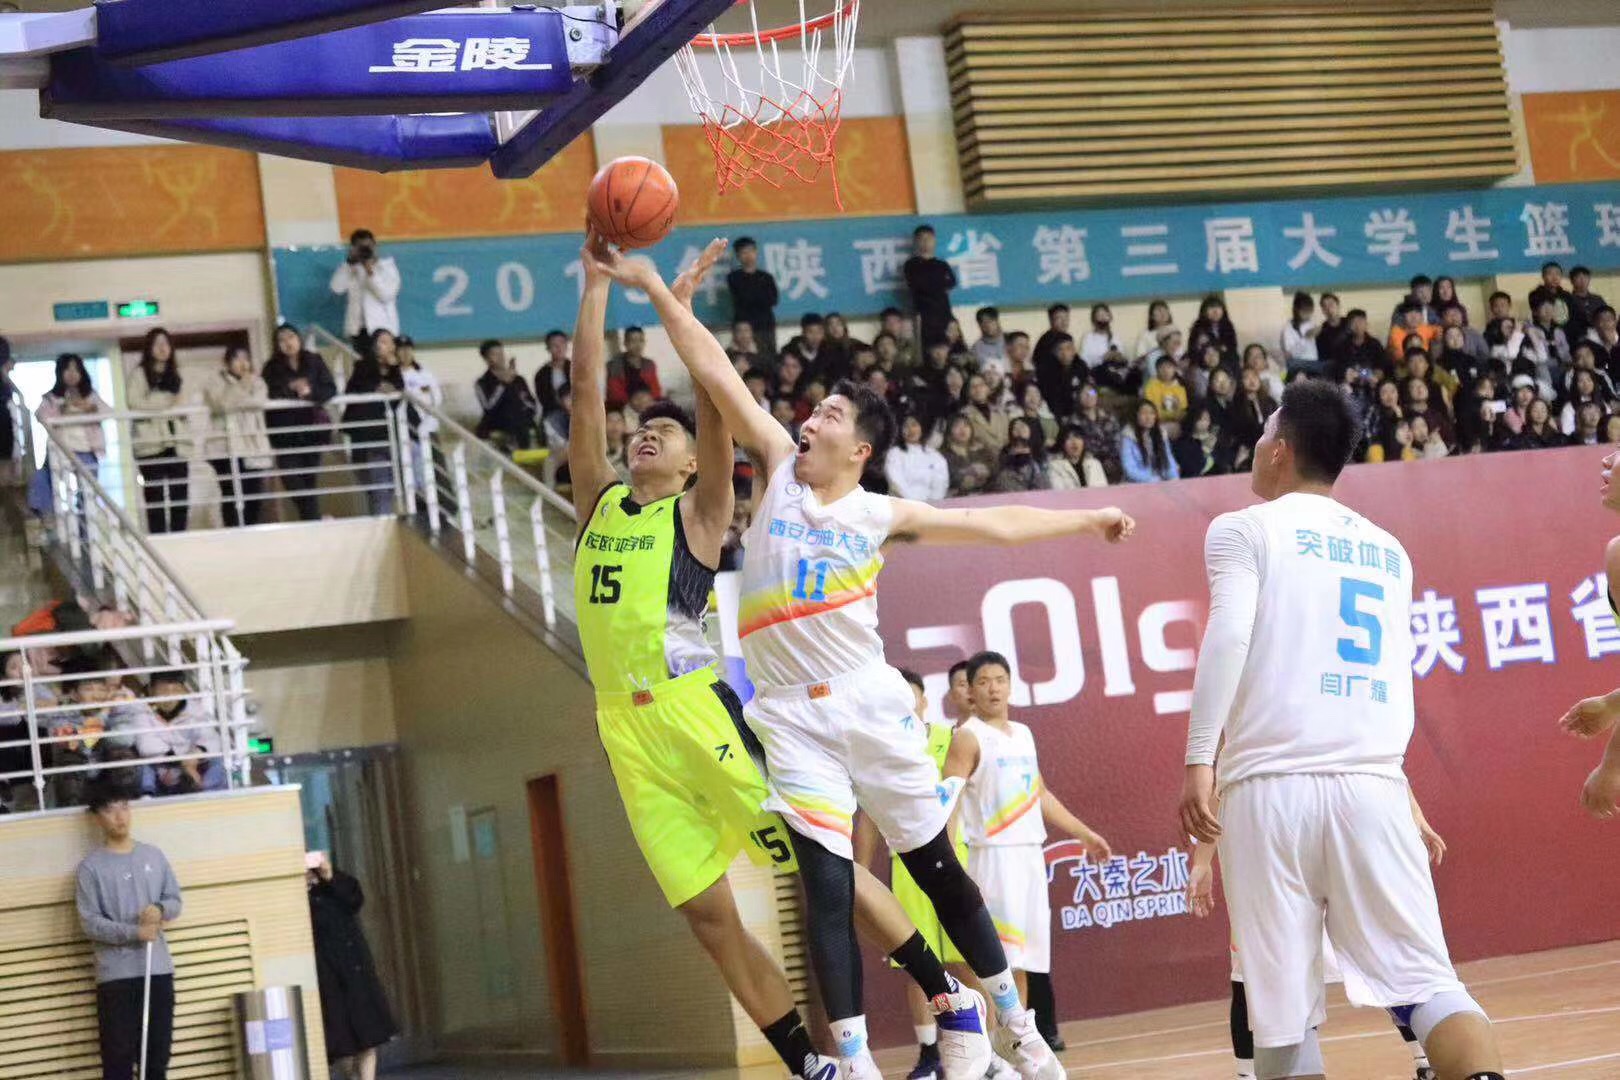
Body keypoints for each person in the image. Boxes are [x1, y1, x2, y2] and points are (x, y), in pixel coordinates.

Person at [588, 238, 1137, 1080]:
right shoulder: (777, 465)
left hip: (865, 702)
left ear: (860, 452)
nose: (810, 423)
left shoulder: (880, 514)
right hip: (787, 714)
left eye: (830, 419)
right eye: (812, 414)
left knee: (936, 869)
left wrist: (1086, 518)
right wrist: (662, 293)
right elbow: (713, 369)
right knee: (825, 886)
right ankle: (849, 1060)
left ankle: (1015, 1024)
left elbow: (995, 524)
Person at [1179, 379, 1505, 1080]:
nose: (1256, 445)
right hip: (1373, 788)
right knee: (1431, 986)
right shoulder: (1390, 550)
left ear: (1280, 451)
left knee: (1283, 1016)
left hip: (1270, 792)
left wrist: (1199, 758)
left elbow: (1228, 636)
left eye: (1263, 433)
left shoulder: (1242, 529)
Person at [1188, 781, 1449, 1080]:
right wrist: (1202, 860)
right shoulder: (1246, 766)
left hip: (1334, 847)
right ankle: (1248, 1075)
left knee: (1385, 962)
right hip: (1275, 856)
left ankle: (1425, 1061)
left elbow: (1385, 766)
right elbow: (1220, 786)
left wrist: (1414, 815)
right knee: (1254, 977)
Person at [944, 651, 1110, 1007]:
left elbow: (1040, 794)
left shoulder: (1023, 734)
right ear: (971, 690)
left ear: (1010, 686)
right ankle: (992, 1039)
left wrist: (1084, 834)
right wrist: (950, 860)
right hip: (993, 858)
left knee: (1024, 961)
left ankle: (1019, 1038)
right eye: (983, 682)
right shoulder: (968, 737)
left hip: (1030, 856)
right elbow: (949, 801)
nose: (993, 689)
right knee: (996, 962)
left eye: (1000, 680)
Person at [853, 669, 973, 1080]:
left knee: (969, 959)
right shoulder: (878, 751)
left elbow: (960, 798)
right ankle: (929, 1053)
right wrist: (860, 873)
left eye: (912, 695)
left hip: (956, 859)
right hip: (906, 865)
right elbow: (869, 818)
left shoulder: (951, 739)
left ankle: (989, 1051)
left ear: (923, 701)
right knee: (920, 963)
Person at [77, 787, 183, 1080]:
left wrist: (160, 909)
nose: (119, 816)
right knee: (118, 1063)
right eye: (110, 810)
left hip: (157, 971)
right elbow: (90, 923)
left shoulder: (153, 855)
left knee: (156, 1060)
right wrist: (135, 932)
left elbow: (175, 900)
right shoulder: (90, 868)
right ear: (97, 818)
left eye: (124, 807)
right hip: (116, 978)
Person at [308, 854, 398, 1080]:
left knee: (368, 1034)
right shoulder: (299, 896)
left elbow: (354, 899)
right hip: (327, 973)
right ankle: (350, 1076)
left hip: (354, 968)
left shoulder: (332, 882)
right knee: (342, 1042)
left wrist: (329, 874)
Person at [262, 324, 337, 521]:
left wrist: (309, 392)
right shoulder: (271, 368)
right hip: (285, 434)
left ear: (299, 338)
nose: (288, 343)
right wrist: (291, 387)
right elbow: (269, 394)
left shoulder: (314, 360)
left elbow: (330, 389)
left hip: (311, 430)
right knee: (292, 481)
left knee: (309, 482)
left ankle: (312, 522)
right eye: (282, 339)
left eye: (291, 337)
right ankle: (315, 519)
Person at [29, 353, 109, 518]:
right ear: (60, 372)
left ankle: (84, 526)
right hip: (60, 450)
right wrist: (62, 408)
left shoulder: (90, 396)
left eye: (76, 369)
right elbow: (40, 416)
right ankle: (46, 514)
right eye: (67, 369)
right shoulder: (52, 398)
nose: (72, 374)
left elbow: (108, 411)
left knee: (87, 493)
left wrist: (90, 408)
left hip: (87, 450)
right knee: (42, 477)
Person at [202, 345, 273, 528]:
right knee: (231, 495)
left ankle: (250, 531)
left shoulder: (257, 381)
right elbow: (221, 404)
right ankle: (232, 532)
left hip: (251, 445)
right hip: (222, 448)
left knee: (254, 494)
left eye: (246, 358)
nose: (243, 363)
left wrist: (237, 397)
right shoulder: (214, 381)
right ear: (227, 362)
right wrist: (242, 386)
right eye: (237, 358)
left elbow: (259, 401)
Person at [127, 328, 189, 534]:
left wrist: (159, 402)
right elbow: (135, 403)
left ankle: (180, 538)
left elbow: (184, 403)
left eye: (166, 343)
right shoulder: (139, 374)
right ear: (149, 348)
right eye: (157, 344)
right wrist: (166, 401)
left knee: (180, 497)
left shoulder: (177, 374)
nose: (162, 348)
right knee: (155, 499)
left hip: (177, 442)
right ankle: (159, 540)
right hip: (150, 445)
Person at [344, 329, 404, 516]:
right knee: (378, 488)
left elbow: (398, 394)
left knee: (387, 487)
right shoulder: (363, 367)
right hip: (367, 436)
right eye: (383, 342)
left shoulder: (396, 370)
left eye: (391, 342)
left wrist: (394, 370)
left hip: (388, 435)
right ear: (374, 346)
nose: (388, 346)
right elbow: (355, 392)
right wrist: (377, 388)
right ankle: (382, 523)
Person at [329, 228, 400, 353]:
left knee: (383, 362)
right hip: (358, 329)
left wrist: (370, 272)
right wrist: (349, 263)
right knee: (362, 363)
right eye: (360, 247)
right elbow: (336, 288)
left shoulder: (387, 267)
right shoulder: (350, 268)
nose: (365, 251)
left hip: (383, 328)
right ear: (353, 248)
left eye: (368, 246)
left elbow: (386, 295)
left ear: (375, 246)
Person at [473, 339, 539, 451]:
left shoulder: (518, 379)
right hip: (497, 421)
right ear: (486, 359)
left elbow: (531, 403)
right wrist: (503, 384)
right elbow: (488, 407)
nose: (501, 358)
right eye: (495, 354)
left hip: (521, 420)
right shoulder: (482, 383)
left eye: (501, 353)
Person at [904, 225, 957, 346]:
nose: (925, 242)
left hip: (945, 315)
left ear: (934, 241)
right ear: (916, 242)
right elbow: (917, 285)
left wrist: (931, 284)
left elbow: (952, 283)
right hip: (923, 317)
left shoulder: (942, 264)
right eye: (921, 239)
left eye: (929, 238)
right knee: (927, 350)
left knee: (949, 348)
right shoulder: (911, 265)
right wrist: (938, 285)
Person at [728, 237, 780, 355]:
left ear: (756, 253)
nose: (749, 255)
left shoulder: (766, 277)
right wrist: (760, 298)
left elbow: (773, 300)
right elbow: (743, 299)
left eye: (751, 251)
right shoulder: (734, 277)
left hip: (766, 326)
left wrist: (754, 297)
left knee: (769, 357)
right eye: (744, 252)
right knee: (744, 358)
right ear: (738, 256)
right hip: (744, 327)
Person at [886, 414, 949, 501]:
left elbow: (941, 483)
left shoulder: (934, 455)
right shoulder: (894, 453)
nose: (911, 430)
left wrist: (933, 501)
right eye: (906, 426)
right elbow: (896, 483)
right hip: (903, 503)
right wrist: (916, 503)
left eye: (914, 425)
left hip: (932, 504)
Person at [605, 326, 664, 409]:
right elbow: (615, 394)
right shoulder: (614, 365)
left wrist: (647, 401)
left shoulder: (649, 364)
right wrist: (636, 403)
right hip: (622, 406)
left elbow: (656, 391)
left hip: (647, 403)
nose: (637, 345)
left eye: (641, 340)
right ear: (625, 343)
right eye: (633, 341)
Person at [1120, 400, 1178, 483]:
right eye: (1144, 413)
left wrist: (1174, 478)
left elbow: (1169, 460)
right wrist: (1153, 480)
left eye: (1152, 413)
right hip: (1136, 483)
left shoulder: (1160, 433)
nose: (1148, 417)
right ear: (1136, 415)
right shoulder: (1128, 435)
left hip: (1161, 481)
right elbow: (1129, 468)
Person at [991, 416, 1049, 493]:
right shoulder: (1006, 451)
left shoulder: (1038, 451)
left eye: (1022, 427)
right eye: (1015, 428)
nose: (1018, 430)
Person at [943, 413, 996, 497]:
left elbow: (995, 467)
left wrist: (986, 471)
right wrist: (965, 474)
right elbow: (947, 477)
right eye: (957, 426)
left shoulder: (982, 449)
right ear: (949, 431)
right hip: (957, 496)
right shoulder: (944, 454)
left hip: (985, 493)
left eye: (966, 425)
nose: (962, 429)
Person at [1189, 295, 1239, 368]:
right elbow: (1193, 351)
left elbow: (1232, 348)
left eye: (1218, 307)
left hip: (1227, 365)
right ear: (1204, 311)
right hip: (1204, 367)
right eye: (1211, 307)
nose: (1215, 311)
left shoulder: (1228, 326)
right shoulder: (1198, 328)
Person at [1279, 292, 1320, 378]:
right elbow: (1290, 354)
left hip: (1314, 364)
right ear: (1296, 310)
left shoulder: (1312, 324)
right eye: (1305, 310)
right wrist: (1306, 338)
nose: (1308, 314)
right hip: (1298, 365)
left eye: (1310, 310)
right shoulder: (1288, 329)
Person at [534, 330, 572, 418]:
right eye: (554, 345)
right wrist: (562, 403)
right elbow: (544, 400)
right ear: (548, 348)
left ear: (567, 346)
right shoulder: (542, 374)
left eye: (562, 343)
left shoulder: (577, 368)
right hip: (554, 413)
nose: (559, 348)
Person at [1566, 266, 1607, 345]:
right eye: (1578, 277)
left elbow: (1606, 315)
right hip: (1578, 338)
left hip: (1601, 335)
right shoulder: (1568, 300)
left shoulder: (1597, 299)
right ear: (1572, 281)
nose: (1582, 280)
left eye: (1585, 277)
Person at [1527, 260, 1573, 327]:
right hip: (1543, 329)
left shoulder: (1566, 295)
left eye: (1558, 274)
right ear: (1543, 276)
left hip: (1565, 329)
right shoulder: (1535, 295)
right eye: (1550, 274)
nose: (1554, 277)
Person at [1078, 304, 1121, 369]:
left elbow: (1122, 358)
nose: (1103, 318)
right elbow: (1083, 363)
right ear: (1094, 319)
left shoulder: (1115, 337)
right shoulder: (1088, 338)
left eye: (1105, 315)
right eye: (1099, 315)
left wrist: (1118, 357)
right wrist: (1102, 359)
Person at [972, 306, 1007, 372]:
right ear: (979, 325)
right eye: (983, 322)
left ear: (997, 321)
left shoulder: (1010, 339)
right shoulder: (976, 348)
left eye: (990, 321)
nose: (988, 325)